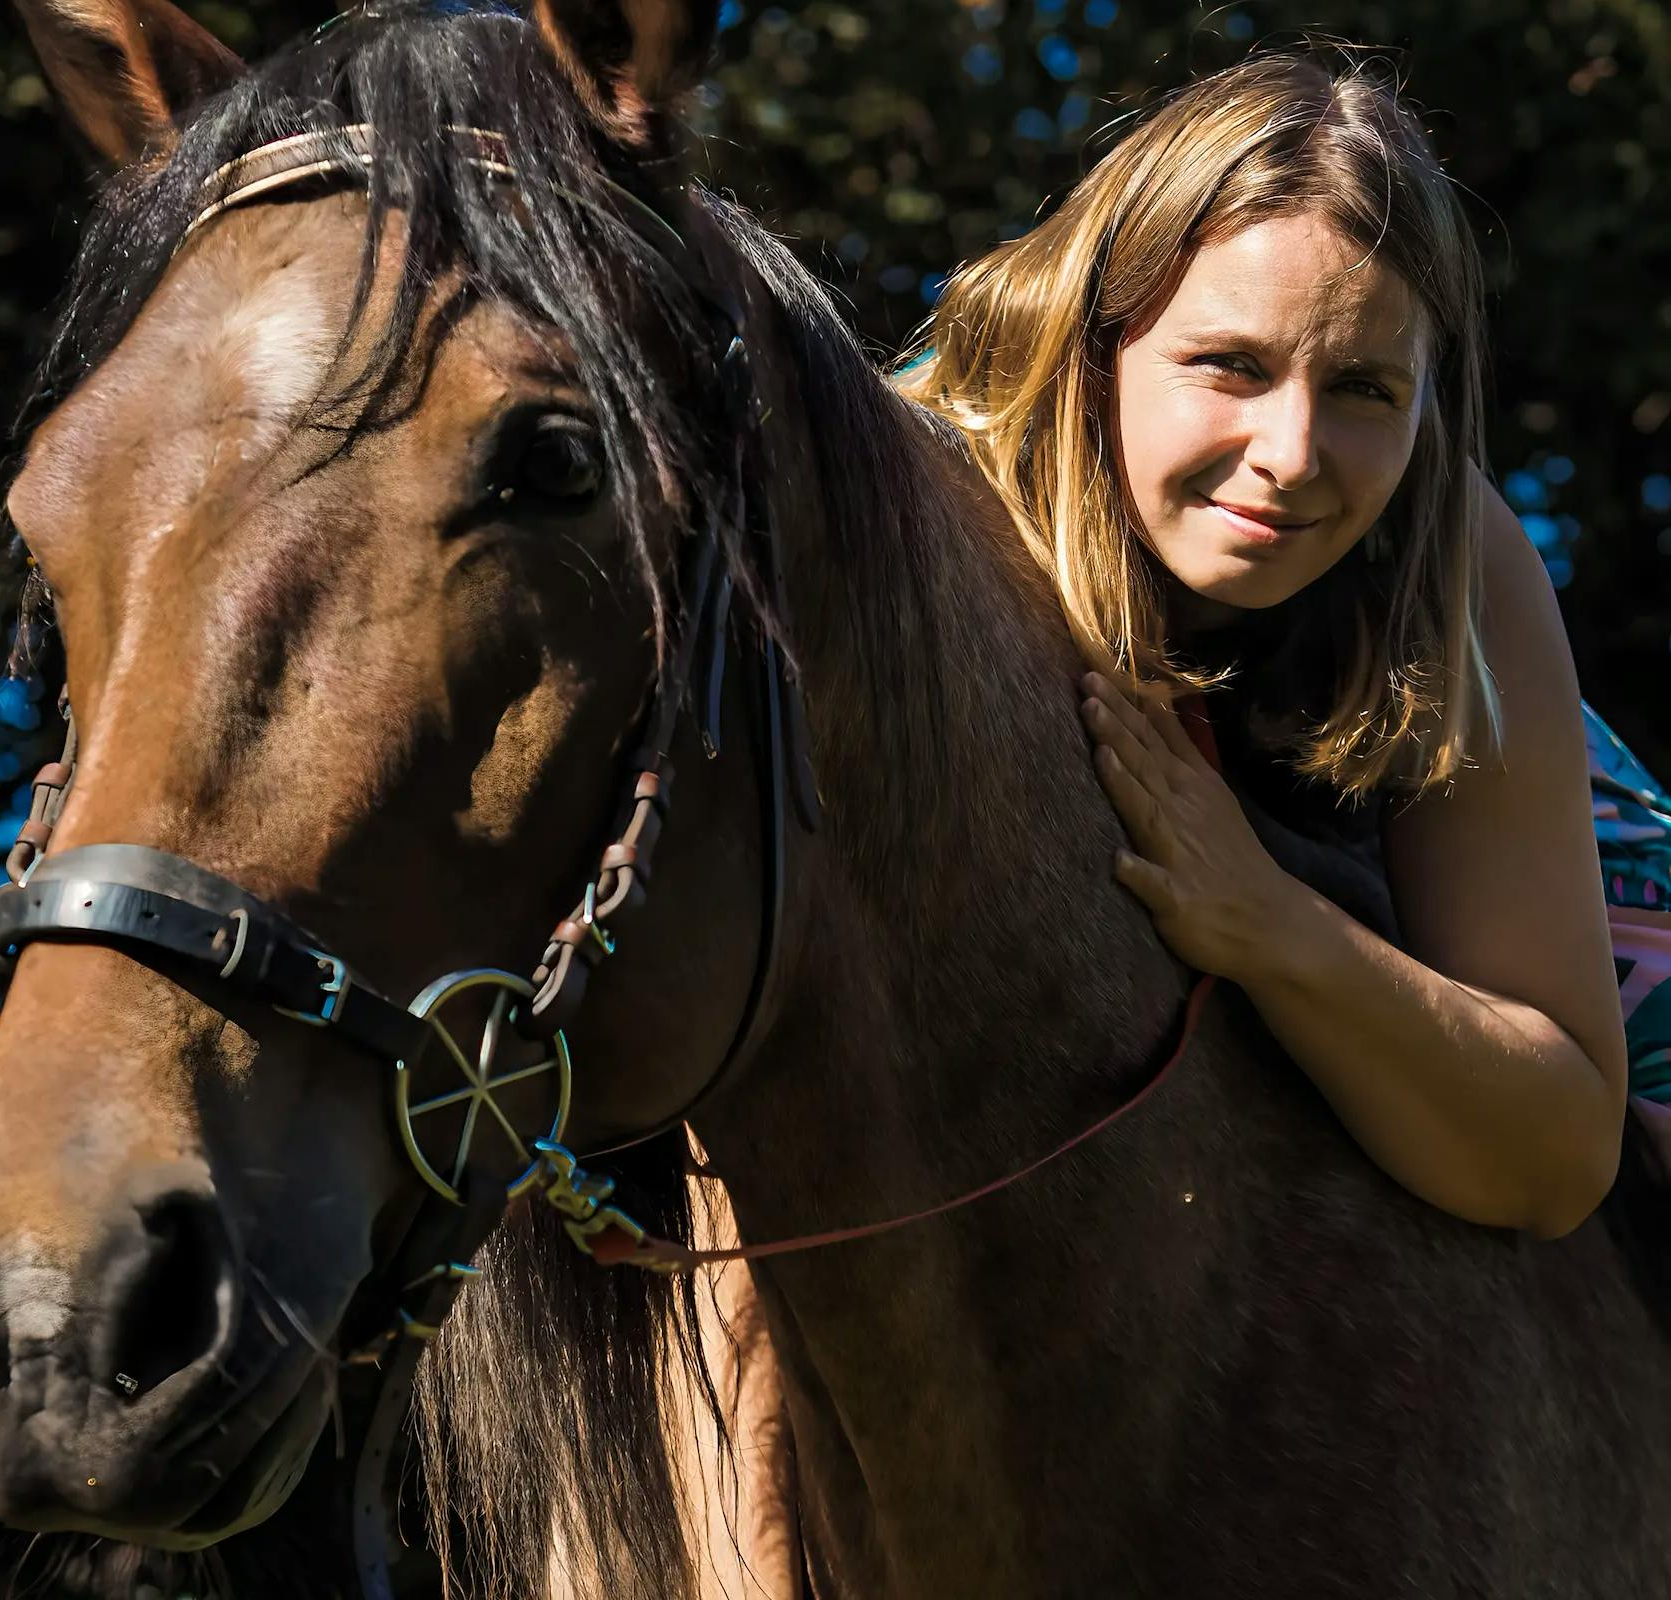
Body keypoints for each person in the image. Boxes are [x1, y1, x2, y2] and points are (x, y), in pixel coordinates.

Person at [663, 51, 1671, 1598]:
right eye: (1229, 364)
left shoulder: (1448, 555)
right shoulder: (920, 502)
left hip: (1528, 862)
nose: (1292, 453)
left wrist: (1267, 923)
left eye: (1366, 388)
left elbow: (1553, 1151)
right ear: (1100, 340)